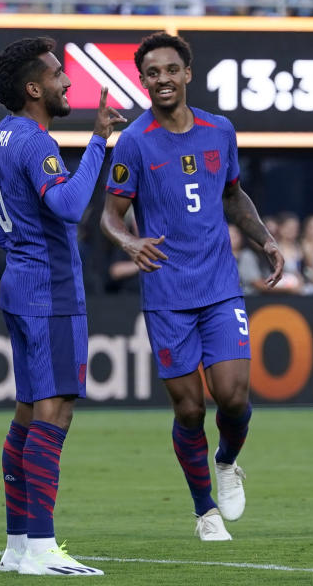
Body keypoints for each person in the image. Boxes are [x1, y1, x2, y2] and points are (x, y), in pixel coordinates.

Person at [100, 32, 284, 542]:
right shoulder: (134, 141)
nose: (161, 79)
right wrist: (130, 244)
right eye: (151, 73)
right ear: (143, 81)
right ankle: (205, 511)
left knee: (233, 397)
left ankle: (226, 461)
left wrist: (265, 239)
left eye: (170, 70)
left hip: (220, 285)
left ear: (187, 74)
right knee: (189, 408)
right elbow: (110, 218)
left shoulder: (219, 130)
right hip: (166, 294)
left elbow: (233, 195)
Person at [0, 36, 125, 576]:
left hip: (22, 286)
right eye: (57, 75)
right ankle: (40, 547)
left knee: (29, 415)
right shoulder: (35, 142)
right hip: (50, 291)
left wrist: (12, 240)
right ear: (35, 88)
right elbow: (72, 206)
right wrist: (99, 141)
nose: (66, 81)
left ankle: (16, 545)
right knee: (54, 414)